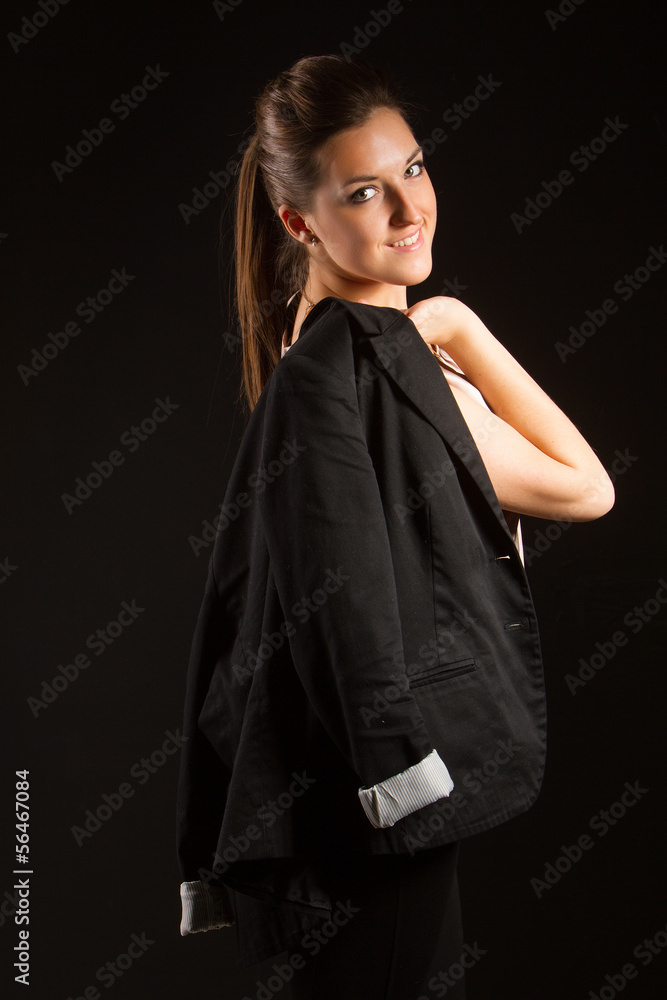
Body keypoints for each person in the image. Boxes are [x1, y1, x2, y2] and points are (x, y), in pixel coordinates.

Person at [176, 54, 614, 999]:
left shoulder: (315, 349)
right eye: (365, 192)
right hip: (382, 791)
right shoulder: (381, 371)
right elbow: (587, 489)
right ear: (299, 221)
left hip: (352, 786)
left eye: (413, 169)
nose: (409, 210)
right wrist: (454, 322)